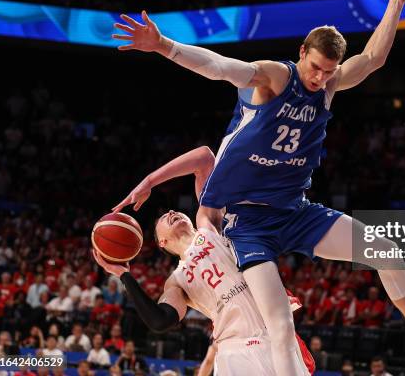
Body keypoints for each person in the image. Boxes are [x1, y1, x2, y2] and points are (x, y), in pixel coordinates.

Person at [112, 0, 405, 372]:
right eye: (315, 68)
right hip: (249, 223)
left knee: (387, 252)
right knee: (278, 321)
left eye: (329, 71)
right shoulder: (275, 77)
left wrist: (395, 4)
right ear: (302, 52)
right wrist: (164, 46)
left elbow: (373, 59)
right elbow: (220, 66)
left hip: (294, 210)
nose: (320, 78)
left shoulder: (329, 85)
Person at [95, 147, 313, 375]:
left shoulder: (209, 226)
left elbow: (205, 159)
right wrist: (124, 275)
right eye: (162, 218)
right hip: (234, 352)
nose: (170, 211)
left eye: (174, 210)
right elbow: (160, 321)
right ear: (162, 242)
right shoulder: (176, 282)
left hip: (275, 337)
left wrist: (149, 181)